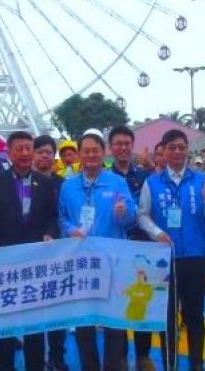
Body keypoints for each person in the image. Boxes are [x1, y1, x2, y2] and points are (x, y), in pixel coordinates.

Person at [57, 130, 137, 371]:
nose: (91, 155)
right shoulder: (68, 186)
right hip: (81, 263)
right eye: (86, 151)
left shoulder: (117, 182)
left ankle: (113, 366)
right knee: (84, 321)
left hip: (113, 262)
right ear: (79, 154)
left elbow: (131, 218)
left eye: (95, 151)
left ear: (104, 154)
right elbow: (61, 218)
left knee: (114, 320)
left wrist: (124, 213)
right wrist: (70, 229)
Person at [0, 131, 59, 371]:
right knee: (5, 324)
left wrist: (50, 233)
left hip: (35, 263)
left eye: (28, 148)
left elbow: (53, 217)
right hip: (6, 262)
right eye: (19, 149)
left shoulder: (45, 183)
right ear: (10, 152)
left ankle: (36, 366)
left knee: (35, 322)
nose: (25, 153)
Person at [137, 129, 205, 371]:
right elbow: (142, 215)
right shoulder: (152, 183)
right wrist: (156, 233)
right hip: (164, 259)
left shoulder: (202, 180)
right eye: (172, 147)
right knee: (167, 316)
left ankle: (196, 364)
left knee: (194, 316)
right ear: (164, 152)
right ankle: (170, 364)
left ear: (187, 149)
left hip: (195, 256)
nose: (177, 152)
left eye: (182, 147)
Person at [106, 126, 155, 371]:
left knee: (141, 303)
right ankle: (121, 355)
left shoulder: (146, 176)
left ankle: (143, 355)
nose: (123, 147)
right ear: (111, 148)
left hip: (143, 246)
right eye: (118, 143)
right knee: (118, 300)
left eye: (127, 143)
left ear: (132, 145)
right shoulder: (105, 178)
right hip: (116, 248)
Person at [32, 134, 69, 371]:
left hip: (58, 253)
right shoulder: (23, 181)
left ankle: (57, 355)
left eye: (49, 152)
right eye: (41, 152)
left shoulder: (62, 183)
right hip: (30, 253)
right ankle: (36, 357)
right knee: (33, 307)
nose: (45, 156)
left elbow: (63, 215)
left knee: (58, 307)